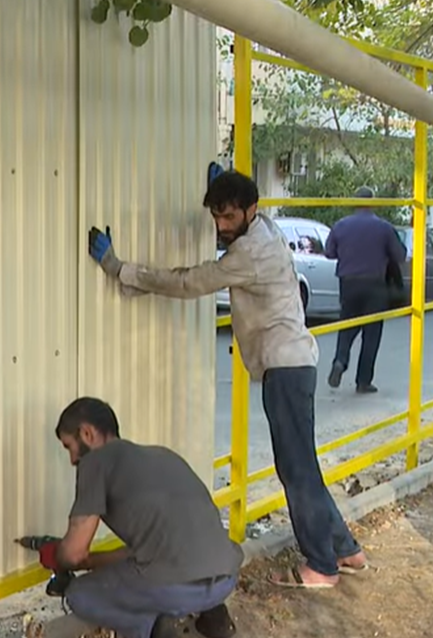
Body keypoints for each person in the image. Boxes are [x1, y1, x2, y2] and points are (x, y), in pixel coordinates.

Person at [86, 169, 367, 590]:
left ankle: (322, 566)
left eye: (229, 217)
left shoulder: (248, 256)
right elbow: (241, 207)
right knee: (303, 466)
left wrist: (118, 268)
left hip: (285, 369)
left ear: (249, 211)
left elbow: (187, 282)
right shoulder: (263, 227)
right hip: (294, 364)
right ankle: (345, 549)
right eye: (217, 216)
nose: (221, 227)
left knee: (295, 471)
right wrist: (225, 178)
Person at [40, 397, 243, 638]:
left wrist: (57, 554)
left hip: (177, 591)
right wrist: (89, 562)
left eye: (69, 447)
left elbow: (73, 553)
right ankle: (216, 621)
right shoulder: (163, 455)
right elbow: (139, 552)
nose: (73, 459)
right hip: (226, 579)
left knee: (79, 594)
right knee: (172, 559)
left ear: (86, 433)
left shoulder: (95, 463)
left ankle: (155, 632)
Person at [322, 186, 406, 394]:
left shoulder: (341, 225)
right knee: (371, 333)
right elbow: (400, 255)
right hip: (375, 284)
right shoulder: (384, 228)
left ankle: (340, 361)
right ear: (372, 202)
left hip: (348, 283)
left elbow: (329, 252)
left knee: (347, 325)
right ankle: (363, 381)